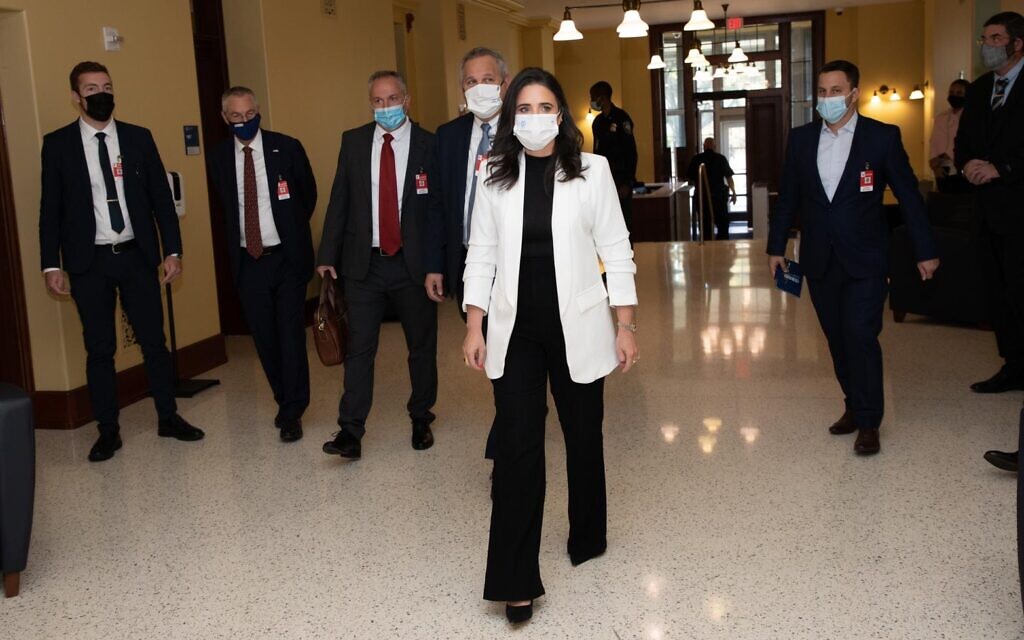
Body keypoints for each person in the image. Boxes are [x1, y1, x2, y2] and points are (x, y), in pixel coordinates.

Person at [462, 67, 638, 623]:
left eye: (545, 107)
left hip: (579, 324)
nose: (534, 117)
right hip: (515, 330)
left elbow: (617, 247)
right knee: (517, 448)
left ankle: (587, 534)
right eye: (524, 108)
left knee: (583, 435)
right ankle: (516, 579)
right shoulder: (494, 173)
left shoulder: (593, 170)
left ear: (560, 115)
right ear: (512, 117)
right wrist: (474, 323)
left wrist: (625, 322)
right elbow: (481, 253)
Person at [767, 60, 939, 456]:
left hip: (867, 258)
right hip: (820, 259)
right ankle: (852, 403)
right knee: (837, 339)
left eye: (835, 90)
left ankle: (869, 420)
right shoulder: (802, 139)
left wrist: (925, 250)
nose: (827, 98)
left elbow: (909, 196)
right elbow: (788, 196)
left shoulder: (881, 138)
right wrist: (776, 247)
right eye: (822, 92)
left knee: (861, 335)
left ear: (853, 93)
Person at [39, 61, 204, 462]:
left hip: (136, 257)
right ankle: (108, 430)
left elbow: (161, 202)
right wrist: (50, 264)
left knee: (154, 343)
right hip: (88, 262)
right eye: (91, 88)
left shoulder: (137, 138)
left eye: (107, 85)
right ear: (76, 97)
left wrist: (173, 251)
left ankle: (168, 417)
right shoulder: (58, 144)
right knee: (99, 349)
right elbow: (51, 209)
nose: (101, 93)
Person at [317, 70, 439, 459]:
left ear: (407, 100)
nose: (385, 107)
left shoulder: (428, 145)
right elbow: (340, 200)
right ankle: (350, 431)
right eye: (377, 101)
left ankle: (421, 416)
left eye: (392, 99)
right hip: (363, 265)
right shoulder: (353, 142)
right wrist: (326, 255)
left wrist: (437, 265)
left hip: (412, 265)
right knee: (359, 349)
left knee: (420, 346)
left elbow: (437, 211)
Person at [207, 86, 317, 443]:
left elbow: (308, 195)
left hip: (286, 257)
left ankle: (293, 410)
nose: (244, 122)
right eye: (236, 117)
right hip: (248, 260)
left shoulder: (286, 147)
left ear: (259, 112)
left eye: (249, 115)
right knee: (265, 338)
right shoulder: (219, 157)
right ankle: (283, 399)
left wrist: (290, 231)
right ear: (225, 118)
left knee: (289, 335)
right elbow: (222, 207)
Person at [955, 12, 1024, 471]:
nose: (988, 46)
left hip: (1020, 208)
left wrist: (1004, 169)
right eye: (985, 38)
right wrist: (968, 166)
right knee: (999, 295)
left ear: (1017, 44)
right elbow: (963, 142)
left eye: (996, 39)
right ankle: (1012, 365)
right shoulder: (981, 90)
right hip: (987, 212)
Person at [589, 81, 638, 235]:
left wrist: (628, 182)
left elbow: (631, 153)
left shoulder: (622, 118)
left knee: (624, 223)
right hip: (604, 179)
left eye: (593, 98)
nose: (592, 101)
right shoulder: (597, 122)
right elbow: (597, 152)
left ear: (602, 98)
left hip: (621, 178)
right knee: (605, 223)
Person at [686, 137, 738, 240]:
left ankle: (707, 249)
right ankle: (722, 248)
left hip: (703, 196)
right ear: (714, 146)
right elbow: (729, 178)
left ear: (703, 146)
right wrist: (734, 192)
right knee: (723, 226)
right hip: (719, 197)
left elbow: (690, 179)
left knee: (705, 227)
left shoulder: (696, 159)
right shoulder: (721, 159)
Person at [928, 79, 970, 194]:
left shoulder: (971, 118)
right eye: (951, 93)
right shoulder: (941, 117)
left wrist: (946, 155)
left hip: (963, 171)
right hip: (942, 170)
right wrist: (934, 164)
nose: (954, 96)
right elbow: (934, 142)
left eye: (959, 93)